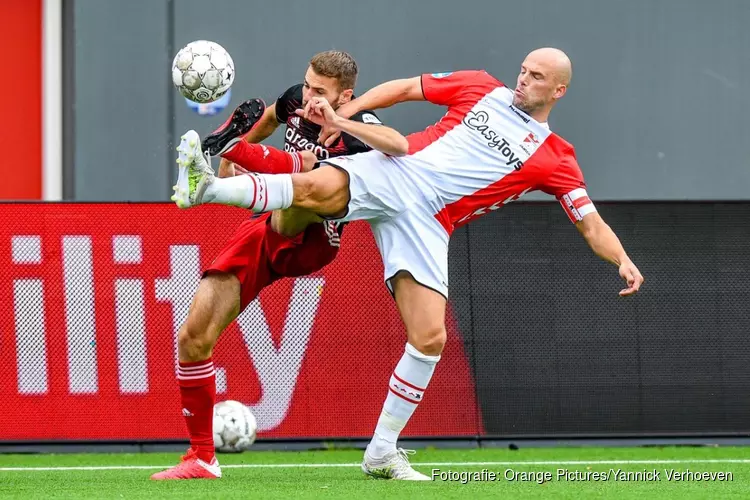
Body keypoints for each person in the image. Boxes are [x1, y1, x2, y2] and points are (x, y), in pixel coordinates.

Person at [171, 47, 645, 480]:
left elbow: (589, 223)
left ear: (558, 90)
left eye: (536, 77)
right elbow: (403, 89)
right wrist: (350, 112)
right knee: (318, 188)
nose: (523, 81)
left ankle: (381, 451)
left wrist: (622, 258)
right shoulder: (481, 85)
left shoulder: (556, 157)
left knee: (429, 338)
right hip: (402, 172)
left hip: (430, 223)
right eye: (523, 70)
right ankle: (207, 188)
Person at [151, 50, 407, 481]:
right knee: (193, 335)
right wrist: (241, 148)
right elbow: (271, 115)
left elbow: (399, 145)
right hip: (267, 226)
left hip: (315, 236)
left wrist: (340, 123)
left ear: (346, 95)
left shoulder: (358, 127)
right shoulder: (295, 100)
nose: (309, 97)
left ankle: (217, 171)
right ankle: (201, 459)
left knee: (307, 175)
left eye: (320, 92)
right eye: (307, 85)